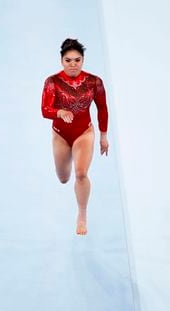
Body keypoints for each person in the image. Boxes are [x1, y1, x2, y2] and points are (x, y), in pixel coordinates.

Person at [41, 38, 109, 235]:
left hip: (84, 132)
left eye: (77, 60)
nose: (73, 64)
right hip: (61, 135)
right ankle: (67, 160)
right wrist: (59, 112)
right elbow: (45, 109)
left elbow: (102, 108)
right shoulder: (52, 82)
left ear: (83, 60)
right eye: (68, 60)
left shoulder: (94, 82)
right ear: (61, 61)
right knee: (63, 178)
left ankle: (82, 215)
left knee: (81, 174)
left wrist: (103, 136)